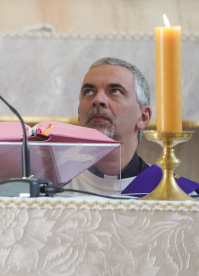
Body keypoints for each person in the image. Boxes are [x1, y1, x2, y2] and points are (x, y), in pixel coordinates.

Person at [65, 57, 152, 194]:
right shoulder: (52, 191)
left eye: (115, 91)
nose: (98, 100)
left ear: (143, 117)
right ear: (79, 115)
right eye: (88, 92)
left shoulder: (171, 196)